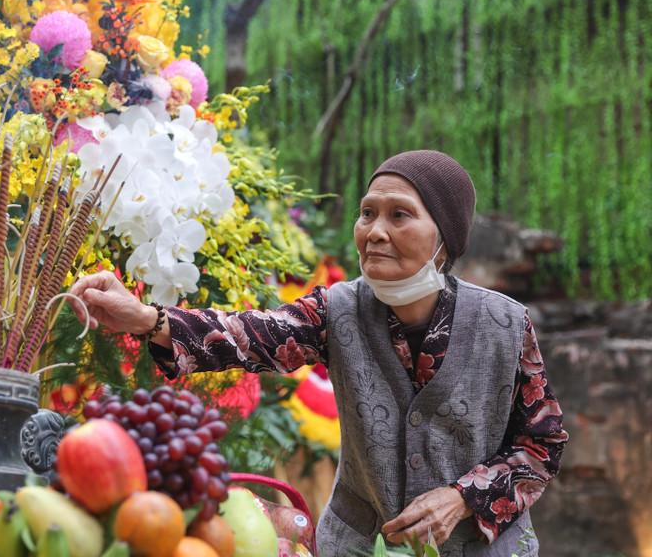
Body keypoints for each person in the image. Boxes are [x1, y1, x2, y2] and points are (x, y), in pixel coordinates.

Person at [68, 150, 567, 557]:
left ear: (445, 237)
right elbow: (253, 334)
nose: (374, 231)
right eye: (367, 212)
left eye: (399, 215)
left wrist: (463, 499)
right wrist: (146, 318)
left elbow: (541, 444)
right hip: (356, 546)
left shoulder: (505, 324)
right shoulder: (337, 310)